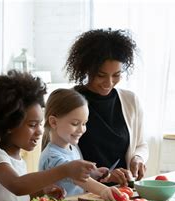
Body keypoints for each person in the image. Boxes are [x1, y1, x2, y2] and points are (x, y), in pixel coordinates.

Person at [0, 70, 97, 201]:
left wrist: (43, 191)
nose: (39, 131)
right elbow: (17, 186)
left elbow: (18, 196)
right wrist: (66, 170)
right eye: (32, 125)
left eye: (40, 124)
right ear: (9, 125)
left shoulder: (19, 160)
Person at [64, 28, 149, 186]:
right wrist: (105, 176)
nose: (108, 83)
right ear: (86, 69)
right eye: (101, 75)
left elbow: (141, 145)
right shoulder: (68, 101)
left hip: (123, 190)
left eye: (116, 75)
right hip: (84, 193)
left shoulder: (131, 101)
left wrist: (138, 158)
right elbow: (58, 161)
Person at [39, 88, 121, 199]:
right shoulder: (52, 157)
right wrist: (104, 190)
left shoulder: (72, 148)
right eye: (75, 123)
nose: (82, 129)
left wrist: (93, 174)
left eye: (84, 123)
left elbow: (74, 177)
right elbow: (77, 179)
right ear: (53, 122)